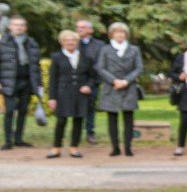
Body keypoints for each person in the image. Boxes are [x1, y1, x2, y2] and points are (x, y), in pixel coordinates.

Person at [46, 29, 95, 158]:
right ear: (62, 42)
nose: (70, 43)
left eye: (72, 40)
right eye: (66, 40)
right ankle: (56, 147)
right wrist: (52, 98)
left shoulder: (86, 58)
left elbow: (92, 77)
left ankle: (74, 147)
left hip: (80, 94)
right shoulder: (56, 57)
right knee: (61, 121)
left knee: (78, 121)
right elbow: (53, 79)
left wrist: (88, 86)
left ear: (77, 42)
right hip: (63, 94)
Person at [96, 22, 143, 157]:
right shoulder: (105, 49)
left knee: (128, 118)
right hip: (111, 88)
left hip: (128, 87)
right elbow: (100, 68)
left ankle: (128, 147)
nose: (120, 34)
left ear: (126, 34)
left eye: (122, 32)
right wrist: (114, 81)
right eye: (117, 32)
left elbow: (139, 68)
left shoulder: (134, 49)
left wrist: (126, 81)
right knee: (112, 119)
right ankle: (115, 147)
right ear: (112, 34)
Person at [1, 15, 42, 149]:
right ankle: (8, 140)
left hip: (27, 82)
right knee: (10, 111)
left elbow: (36, 65)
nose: (19, 27)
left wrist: (39, 83)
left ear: (25, 27)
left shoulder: (32, 43)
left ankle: (19, 139)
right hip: (10, 82)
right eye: (16, 25)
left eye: (22, 25)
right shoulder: (3, 43)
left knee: (23, 111)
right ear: (10, 27)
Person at [75, 19, 103, 144]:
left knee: (90, 107)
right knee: (76, 107)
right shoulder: (72, 42)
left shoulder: (99, 45)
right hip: (76, 81)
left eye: (83, 27)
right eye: (78, 27)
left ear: (90, 30)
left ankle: (90, 132)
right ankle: (76, 133)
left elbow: (100, 64)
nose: (79, 29)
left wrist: (92, 83)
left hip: (93, 81)